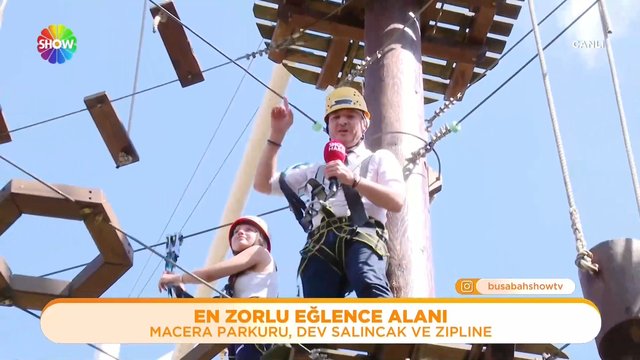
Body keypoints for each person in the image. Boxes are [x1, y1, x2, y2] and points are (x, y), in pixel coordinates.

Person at [253, 86, 405, 298]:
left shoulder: (379, 159)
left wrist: (354, 180)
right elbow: (263, 184)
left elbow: (396, 200)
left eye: (350, 116)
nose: (342, 121)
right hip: (321, 242)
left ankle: (387, 326)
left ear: (364, 124)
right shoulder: (316, 170)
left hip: (362, 234)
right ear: (328, 126)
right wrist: (277, 135)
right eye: (335, 118)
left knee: (368, 281)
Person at [158, 215, 277, 360]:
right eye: (236, 231)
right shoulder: (237, 285)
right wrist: (181, 291)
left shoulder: (260, 253)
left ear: (261, 240)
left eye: (249, 230)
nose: (240, 232)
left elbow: (209, 274)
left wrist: (178, 278)